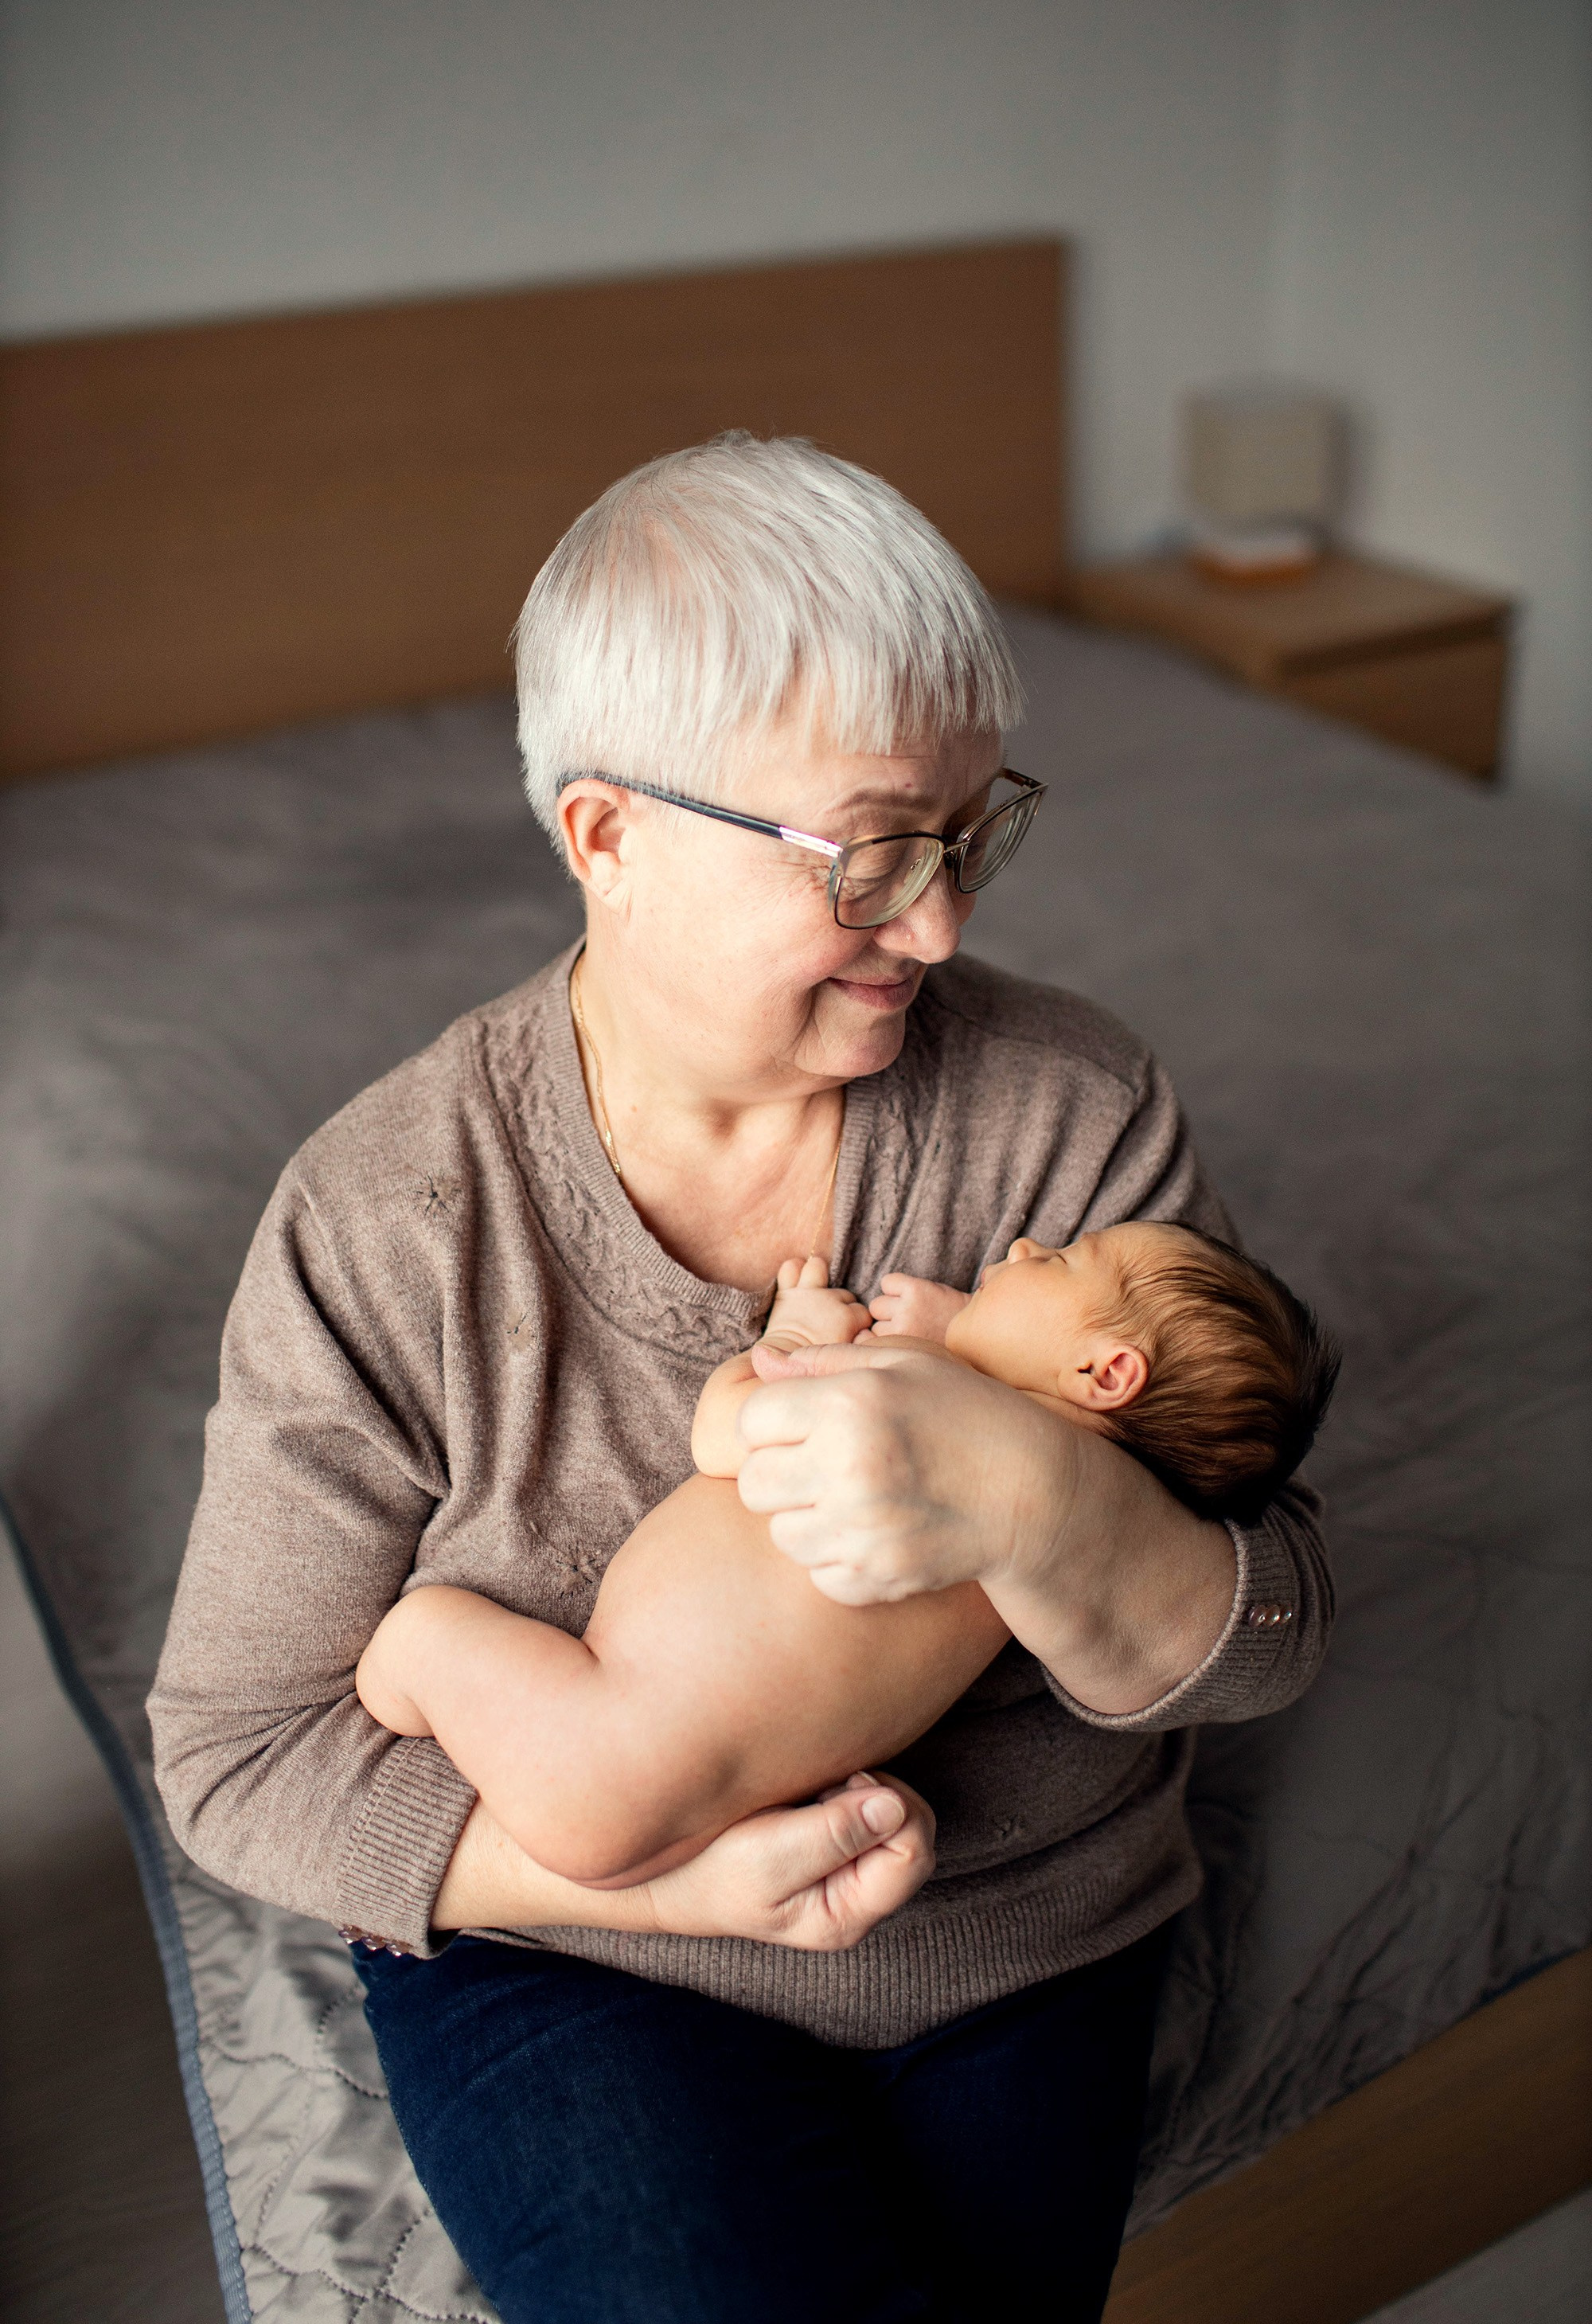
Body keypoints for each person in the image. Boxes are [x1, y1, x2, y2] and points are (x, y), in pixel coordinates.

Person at [149, 433, 1333, 2324]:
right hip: (574, 1957)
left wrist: (1025, 1491)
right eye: (871, 851)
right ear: (607, 835)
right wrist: (661, 1885)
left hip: (1015, 1937)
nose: (938, 924)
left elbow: (1266, 1632)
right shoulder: (386, 1219)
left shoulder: (1065, 1111)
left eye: (970, 834)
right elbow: (236, 1760)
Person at [353, 1225, 1338, 1890]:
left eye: (1064, 1261)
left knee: (418, 1633)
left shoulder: (914, 1399)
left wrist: (792, 1338)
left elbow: (724, 1434)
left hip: (598, 1749)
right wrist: (975, 1333)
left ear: (1104, 1370)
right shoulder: (1035, 1573)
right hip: (711, 1822)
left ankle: (398, 1702)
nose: (1026, 1245)